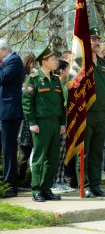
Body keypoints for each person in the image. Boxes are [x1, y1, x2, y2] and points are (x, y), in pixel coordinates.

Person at [22, 45, 65, 202]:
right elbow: (27, 103)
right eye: (54, 59)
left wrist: (62, 123)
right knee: (39, 157)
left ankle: (47, 188)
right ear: (44, 62)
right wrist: (32, 122)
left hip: (55, 123)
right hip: (40, 123)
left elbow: (61, 103)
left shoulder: (55, 80)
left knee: (54, 158)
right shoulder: (33, 79)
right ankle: (36, 189)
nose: (56, 62)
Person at [76, 28, 105, 198]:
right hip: (86, 114)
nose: (96, 43)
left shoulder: (104, 64)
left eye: (98, 40)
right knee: (85, 152)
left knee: (97, 152)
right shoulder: (80, 63)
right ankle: (85, 186)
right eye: (92, 39)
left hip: (101, 113)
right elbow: (73, 90)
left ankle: (96, 185)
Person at [0, 39, 24, 198]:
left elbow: (2, 78)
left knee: (9, 150)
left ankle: (10, 186)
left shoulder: (14, 60)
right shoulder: (7, 62)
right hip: (4, 112)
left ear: (4, 50)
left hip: (10, 113)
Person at [51, 60, 75, 193]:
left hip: (64, 123)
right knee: (56, 154)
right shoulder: (56, 84)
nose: (70, 71)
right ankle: (53, 181)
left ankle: (60, 179)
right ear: (61, 71)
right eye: (68, 69)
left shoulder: (64, 85)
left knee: (62, 155)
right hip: (59, 123)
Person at [17, 53, 36, 185]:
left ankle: (27, 178)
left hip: (31, 122)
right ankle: (20, 179)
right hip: (24, 123)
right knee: (24, 153)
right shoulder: (24, 88)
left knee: (31, 153)